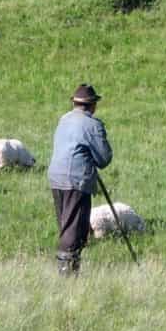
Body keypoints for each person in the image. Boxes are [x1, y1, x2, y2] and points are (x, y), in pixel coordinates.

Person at [47, 83, 113, 276]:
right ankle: (67, 273)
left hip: (56, 177)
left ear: (75, 104)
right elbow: (104, 159)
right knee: (75, 228)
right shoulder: (93, 125)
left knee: (65, 224)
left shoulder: (64, 119)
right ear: (92, 105)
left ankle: (69, 268)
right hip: (76, 180)